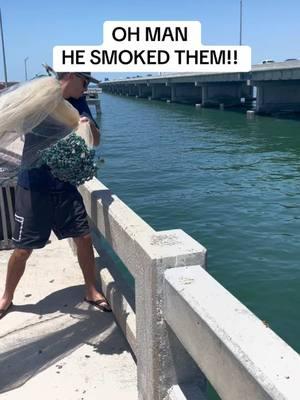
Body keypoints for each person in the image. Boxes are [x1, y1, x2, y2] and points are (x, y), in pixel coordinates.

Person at [0, 72, 111, 319]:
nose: (85, 89)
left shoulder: (79, 104)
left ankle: (90, 290)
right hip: (33, 186)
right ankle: (6, 297)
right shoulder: (38, 96)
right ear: (70, 76)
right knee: (22, 249)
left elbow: (96, 141)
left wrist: (87, 123)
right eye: (84, 83)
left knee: (83, 237)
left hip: (65, 186)